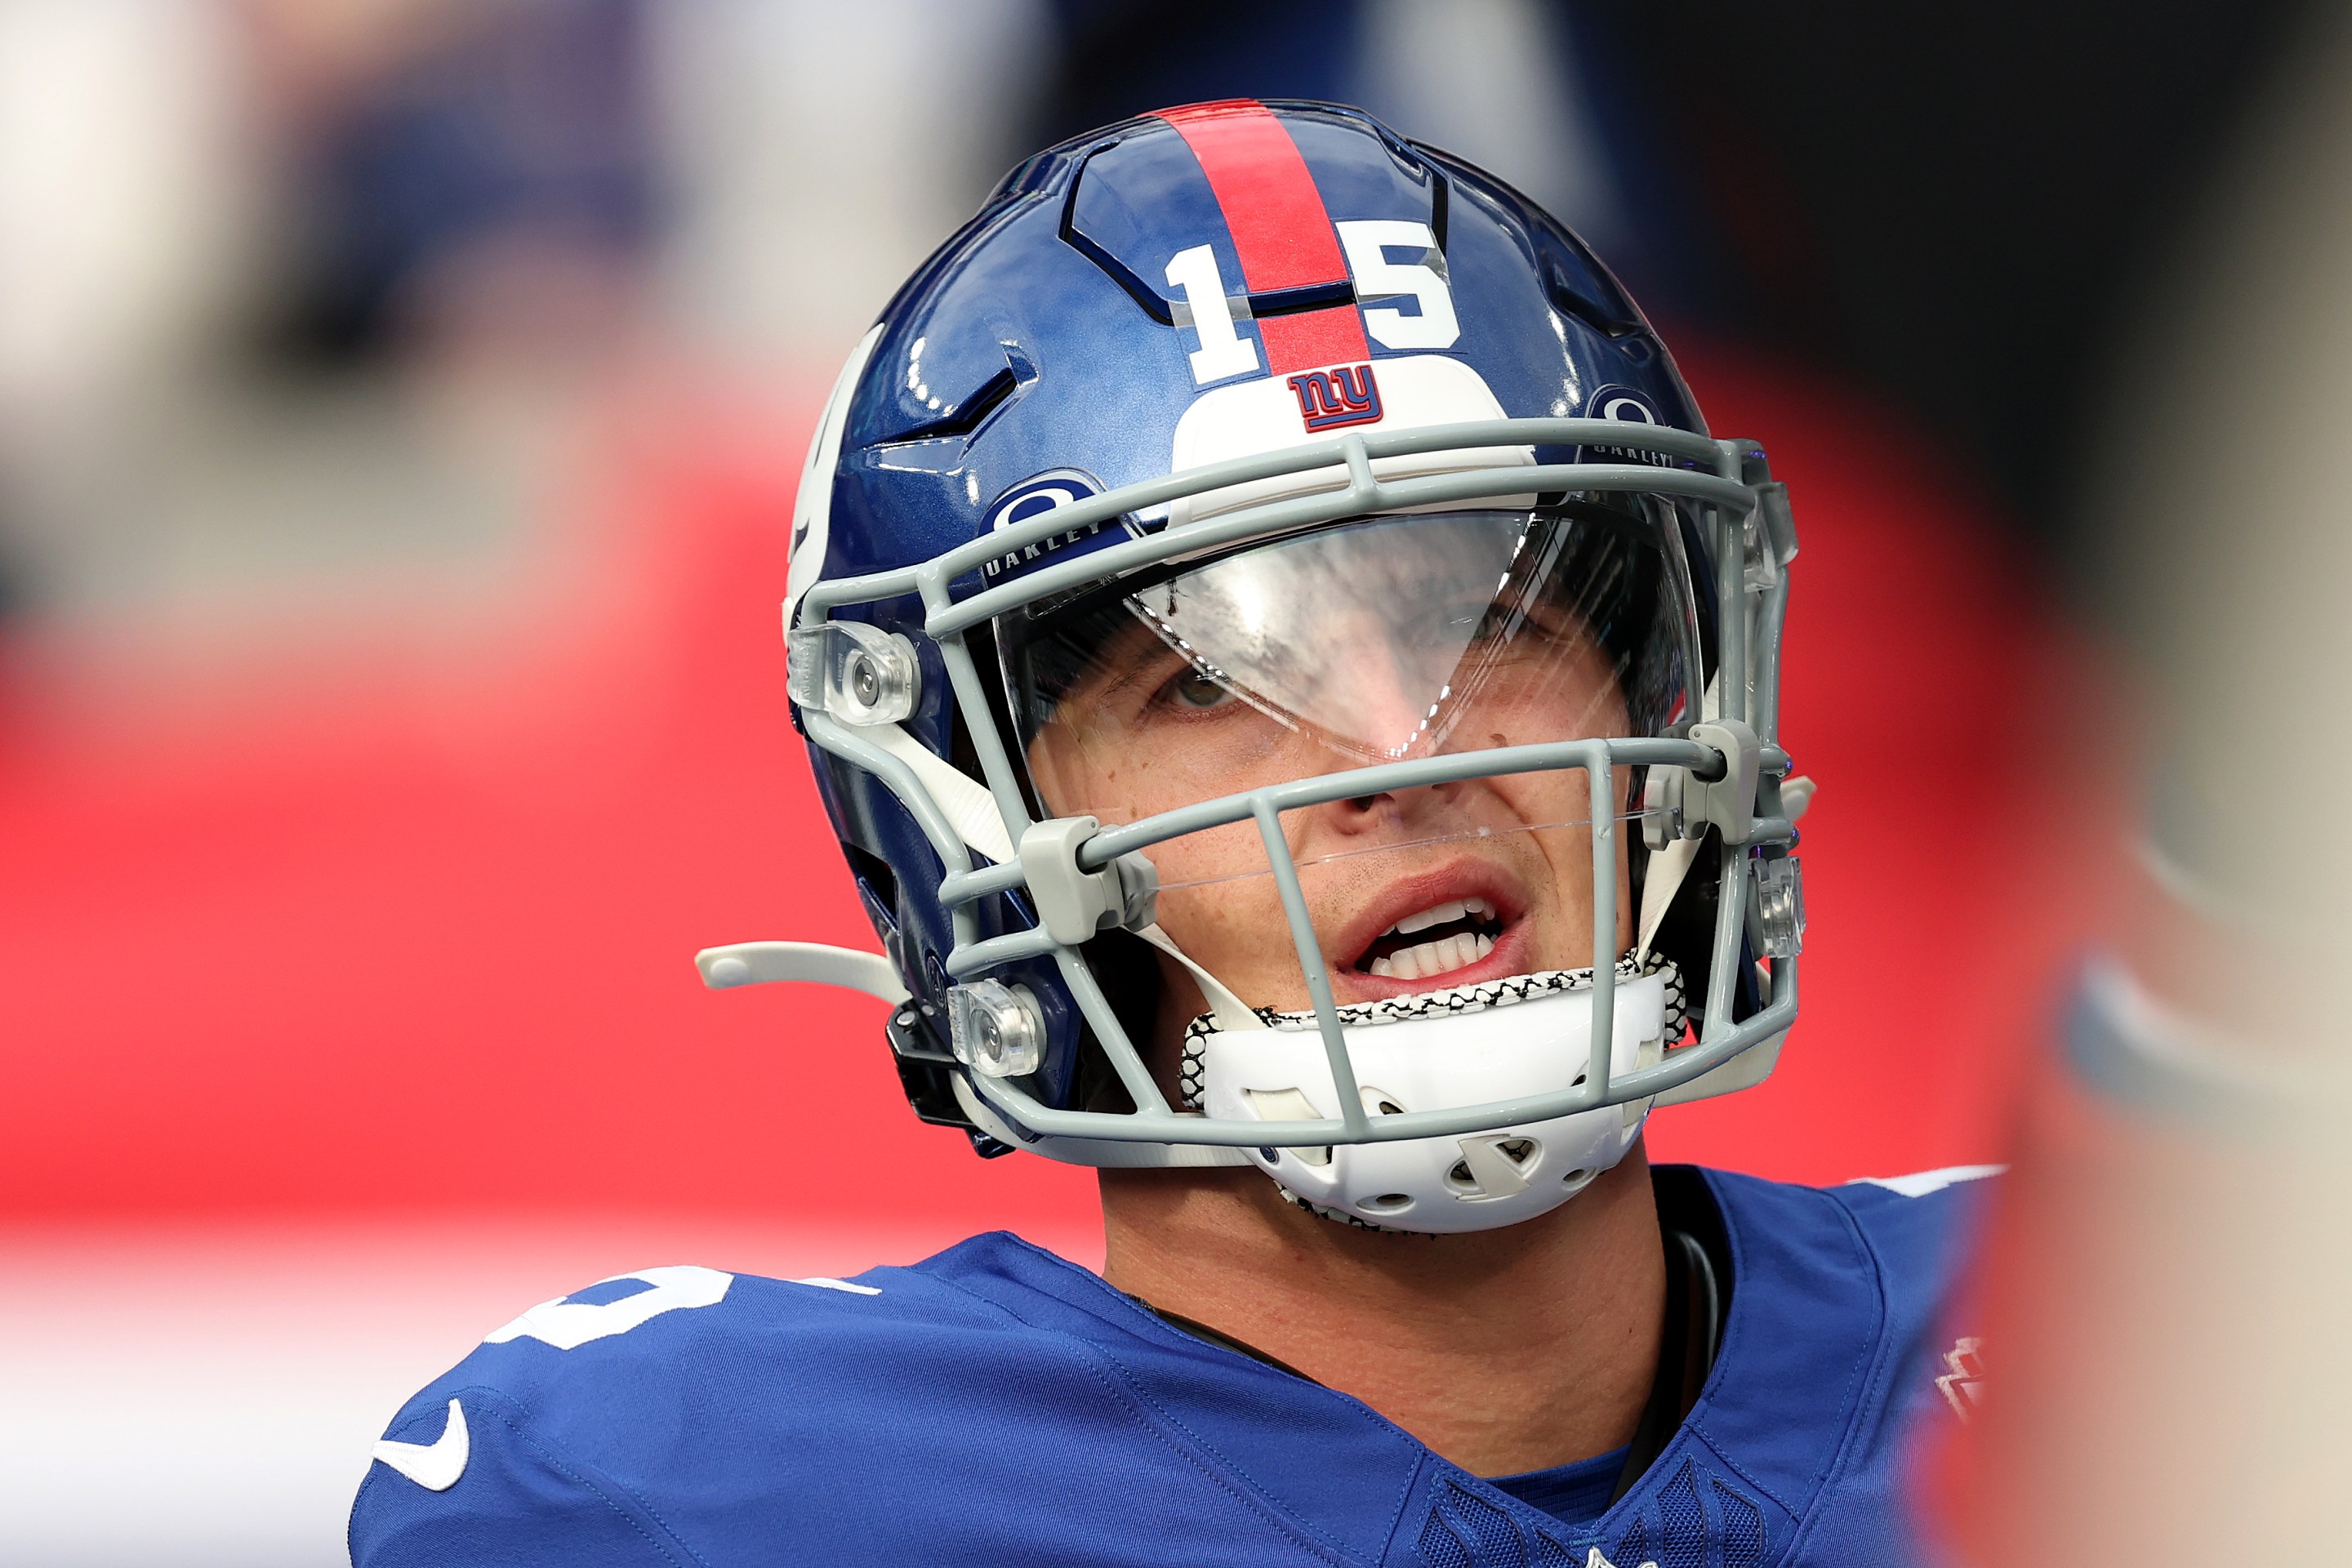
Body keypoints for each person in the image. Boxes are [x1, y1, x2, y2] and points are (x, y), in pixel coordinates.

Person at [350, 100, 1990, 1568]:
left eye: (1480, 620)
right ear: (973, 842)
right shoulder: (729, 1503)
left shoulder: (2098, 1334)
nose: (1391, 751)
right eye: (1208, 686)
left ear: (1668, 706)